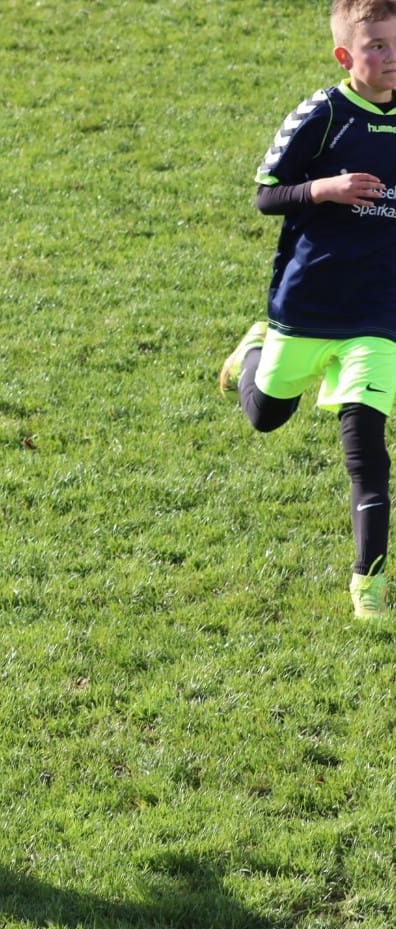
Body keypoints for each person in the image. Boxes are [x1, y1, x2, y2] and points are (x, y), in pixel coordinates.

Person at [218, 0, 396, 619]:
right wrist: (325, 189)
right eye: (377, 46)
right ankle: (255, 348)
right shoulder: (322, 115)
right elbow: (266, 196)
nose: (391, 57)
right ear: (346, 56)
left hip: (379, 315)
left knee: (367, 450)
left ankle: (368, 588)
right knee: (267, 416)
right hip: (308, 303)